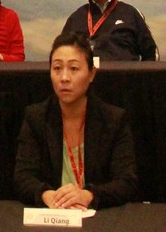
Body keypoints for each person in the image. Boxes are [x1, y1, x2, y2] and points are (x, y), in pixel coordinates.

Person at [12, 31, 138, 208]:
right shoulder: (36, 117)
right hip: (52, 215)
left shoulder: (113, 120)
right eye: (57, 68)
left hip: (96, 217)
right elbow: (22, 177)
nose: (64, 78)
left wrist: (89, 195)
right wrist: (46, 195)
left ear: (92, 74)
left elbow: (126, 182)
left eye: (74, 69)